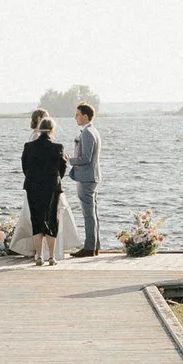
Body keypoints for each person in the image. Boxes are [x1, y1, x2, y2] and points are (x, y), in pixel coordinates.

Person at [21, 116, 67, 266]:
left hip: (33, 186)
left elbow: (25, 167)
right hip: (51, 186)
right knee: (51, 219)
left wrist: (33, 177)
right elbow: (62, 169)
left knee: (36, 219)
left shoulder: (28, 146)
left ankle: (39, 256)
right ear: (52, 130)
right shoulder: (57, 147)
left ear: (39, 129)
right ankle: (52, 257)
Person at [67, 103, 102, 257]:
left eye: (77, 114)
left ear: (85, 116)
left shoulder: (87, 133)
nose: (75, 117)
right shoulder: (93, 131)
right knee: (92, 212)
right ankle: (94, 246)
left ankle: (89, 248)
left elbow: (85, 158)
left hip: (87, 177)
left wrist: (70, 160)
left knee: (88, 214)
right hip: (91, 176)